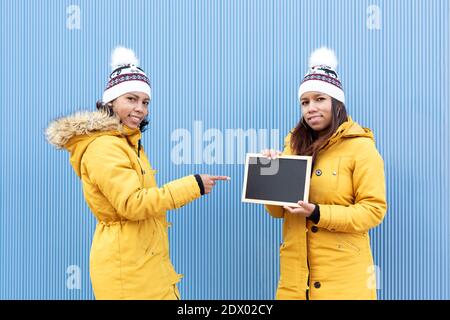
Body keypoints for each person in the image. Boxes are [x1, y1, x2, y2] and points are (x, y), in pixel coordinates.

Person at [46, 46, 229, 299]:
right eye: (131, 99)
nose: (140, 109)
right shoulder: (104, 146)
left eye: (145, 102)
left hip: (144, 264)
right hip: (127, 272)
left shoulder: (127, 142)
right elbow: (132, 204)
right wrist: (193, 185)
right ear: (110, 102)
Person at [262, 47, 387, 300]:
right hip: (296, 281)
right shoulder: (293, 146)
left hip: (344, 282)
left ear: (336, 102)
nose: (311, 108)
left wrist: (317, 213)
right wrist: (271, 175)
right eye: (305, 102)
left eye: (320, 99)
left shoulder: (361, 146)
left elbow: (373, 211)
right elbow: (277, 212)